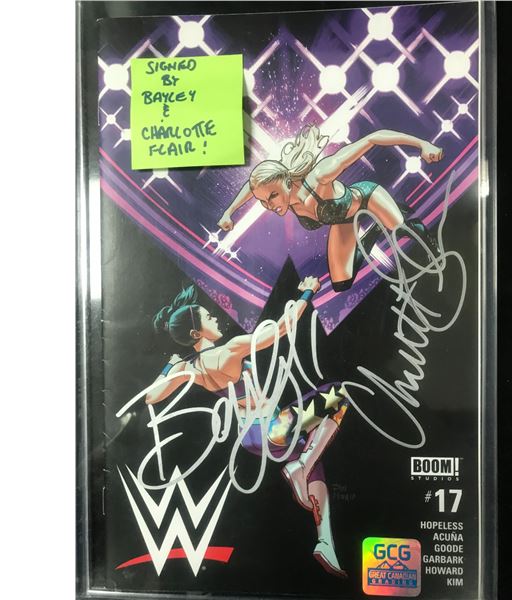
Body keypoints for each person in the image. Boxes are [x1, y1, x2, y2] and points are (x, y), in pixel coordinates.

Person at [146, 278, 349, 577]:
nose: (216, 318)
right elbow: (282, 328)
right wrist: (307, 292)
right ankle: (301, 466)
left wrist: (169, 365)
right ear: (196, 332)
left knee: (314, 461)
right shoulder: (229, 350)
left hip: (252, 439)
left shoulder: (187, 368)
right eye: (208, 317)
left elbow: (151, 397)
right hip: (272, 428)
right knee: (338, 394)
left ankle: (325, 541)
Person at [218, 125, 443, 291]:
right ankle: (376, 229)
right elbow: (254, 186)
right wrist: (230, 211)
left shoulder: (320, 175)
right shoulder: (275, 191)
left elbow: (372, 138)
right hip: (342, 220)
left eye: (273, 196)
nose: (270, 206)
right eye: (263, 201)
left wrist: (422, 144)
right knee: (342, 283)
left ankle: (419, 233)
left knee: (400, 228)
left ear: (286, 182)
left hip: (366, 198)